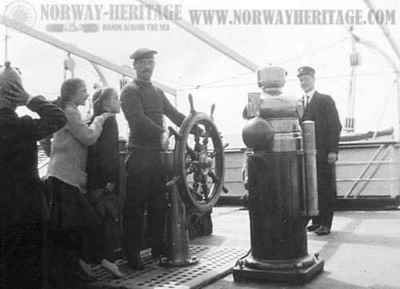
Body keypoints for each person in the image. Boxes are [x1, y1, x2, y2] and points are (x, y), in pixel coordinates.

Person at [0, 61, 67, 289]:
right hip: (27, 211)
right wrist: (29, 99)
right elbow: (58, 118)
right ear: (14, 95)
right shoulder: (23, 126)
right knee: (31, 272)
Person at [120, 48, 186, 269]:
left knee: (159, 205)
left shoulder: (157, 92)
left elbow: (174, 114)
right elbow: (138, 120)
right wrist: (162, 133)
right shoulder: (130, 91)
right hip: (139, 156)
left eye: (151, 62)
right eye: (143, 63)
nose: (148, 66)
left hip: (156, 158)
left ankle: (158, 249)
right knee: (135, 208)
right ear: (135, 66)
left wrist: (195, 127)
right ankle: (132, 255)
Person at [46, 78, 113, 287]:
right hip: (65, 179)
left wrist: (55, 155)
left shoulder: (66, 111)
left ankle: (74, 273)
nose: (86, 94)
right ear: (73, 93)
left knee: (70, 229)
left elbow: (47, 139)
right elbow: (89, 137)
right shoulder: (70, 111)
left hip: (60, 176)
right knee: (86, 223)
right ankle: (89, 267)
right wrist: (101, 119)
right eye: (83, 90)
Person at [298, 66, 342, 235]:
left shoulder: (325, 100)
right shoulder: (299, 102)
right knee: (312, 187)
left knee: (325, 187)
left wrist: (333, 151)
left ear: (313, 79)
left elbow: (335, 126)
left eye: (306, 79)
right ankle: (316, 221)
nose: (303, 82)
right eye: (301, 80)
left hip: (323, 153)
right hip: (307, 155)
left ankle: (326, 223)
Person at [86, 87, 124, 277]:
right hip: (103, 183)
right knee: (108, 221)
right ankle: (108, 261)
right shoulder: (109, 121)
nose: (119, 101)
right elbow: (108, 154)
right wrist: (110, 180)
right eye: (116, 98)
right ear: (105, 103)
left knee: (97, 221)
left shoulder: (94, 121)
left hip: (92, 181)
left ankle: (91, 262)